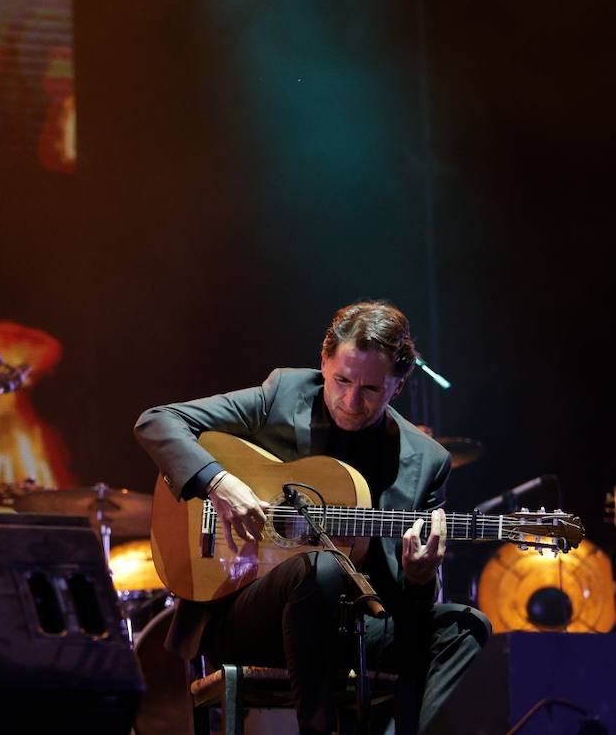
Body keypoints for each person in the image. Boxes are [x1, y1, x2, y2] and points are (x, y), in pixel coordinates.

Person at [133, 301, 489, 734]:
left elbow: (406, 608)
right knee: (320, 567)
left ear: (399, 385)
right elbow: (157, 422)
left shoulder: (427, 460)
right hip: (246, 616)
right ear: (323, 361)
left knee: (467, 626)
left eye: (371, 390)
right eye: (341, 380)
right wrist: (217, 483)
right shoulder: (282, 395)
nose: (351, 401)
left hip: (350, 632)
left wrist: (418, 577)